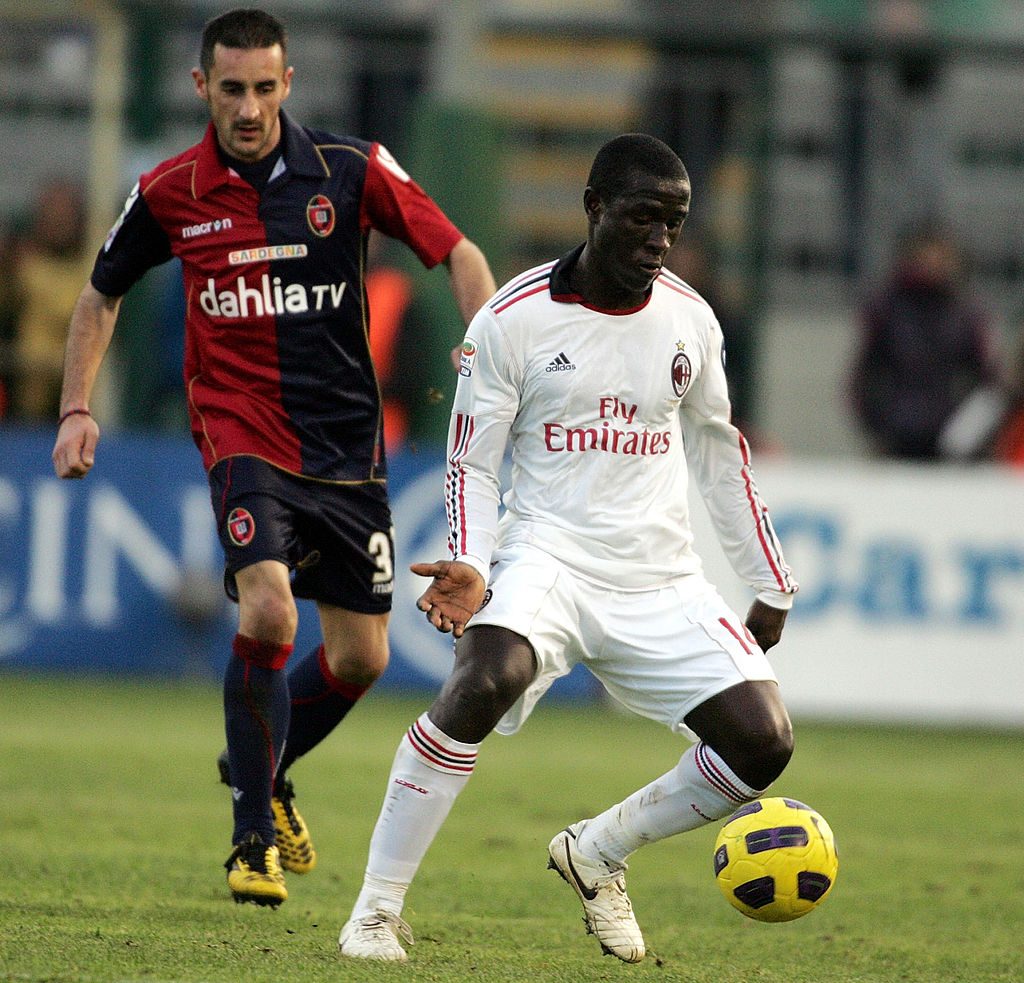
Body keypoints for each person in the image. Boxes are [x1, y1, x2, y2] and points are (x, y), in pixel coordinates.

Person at [51, 8, 495, 909]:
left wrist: (488, 351)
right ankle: (251, 835)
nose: (249, 108)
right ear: (201, 88)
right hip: (240, 431)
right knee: (267, 605)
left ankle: (260, 761)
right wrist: (74, 408)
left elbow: (459, 252)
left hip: (348, 449)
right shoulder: (170, 190)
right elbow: (100, 296)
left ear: (288, 83)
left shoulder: (351, 169)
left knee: (362, 656)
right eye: (231, 89)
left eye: (263, 88)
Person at [339, 133, 798, 963]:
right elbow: (472, 461)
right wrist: (471, 558)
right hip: (546, 557)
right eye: (643, 217)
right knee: (480, 681)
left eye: (674, 222)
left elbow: (717, 452)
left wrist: (768, 580)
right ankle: (374, 909)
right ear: (594, 208)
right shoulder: (511, 319)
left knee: (765, 741)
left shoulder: (690, 320)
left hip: (660, 576)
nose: (660, 239)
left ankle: (597, 850)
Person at [849, 221, 1003, 460]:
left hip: (950, 439)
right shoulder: (887, 308)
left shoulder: (967, 314)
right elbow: (865, 376)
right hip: (896, 436)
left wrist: (969, 434)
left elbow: (988, 381)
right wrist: (877, 428)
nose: (932, 263)